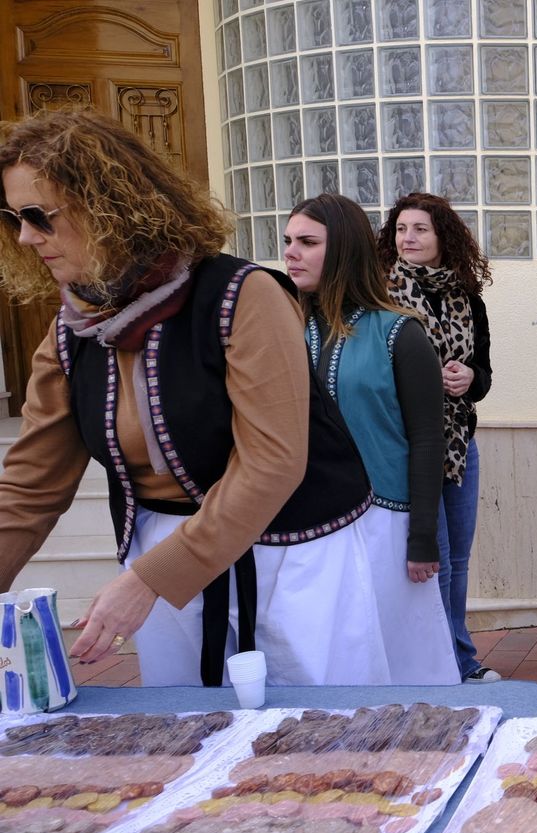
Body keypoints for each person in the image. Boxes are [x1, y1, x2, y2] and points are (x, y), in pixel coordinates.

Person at [0, 109, 379, 686]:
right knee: (186, 741)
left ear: (108, 206)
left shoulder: (243, 294)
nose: (26, 237)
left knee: (317, 740)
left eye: (38, 216)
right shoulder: (70, 331)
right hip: (162, 548)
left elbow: (271, 462)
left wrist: (152, 579)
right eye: (13, 218)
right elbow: (32, 484)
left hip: (289, 555)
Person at [285, 193, 458, 685]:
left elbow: (428, 439)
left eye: (308, 241)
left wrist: (423, 538)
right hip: (311, 527)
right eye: (289, 241)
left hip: (386, 524)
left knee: (405, 659)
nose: (291, 252)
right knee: (335, 660)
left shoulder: (400, 333)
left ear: (342, 250)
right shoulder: (285, 331)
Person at [378, 192, 498, 683]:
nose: (409, 237)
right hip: (411, 450)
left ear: (441, 236)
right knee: (437, 564)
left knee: (459, 561)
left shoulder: (466, 298)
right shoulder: (380, 296)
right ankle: (450, 662)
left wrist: (470, 379)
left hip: (460, 448)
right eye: (402, 229)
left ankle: (456, 657)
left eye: (420, 229)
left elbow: (485, 374)